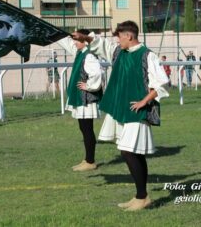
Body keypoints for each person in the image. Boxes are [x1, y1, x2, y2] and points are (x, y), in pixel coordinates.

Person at [72, 20, 169, 211]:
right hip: (122, 110)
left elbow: (162, 83)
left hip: (136, 112)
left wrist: (143, 101)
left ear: (129, 36)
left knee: (128, 151)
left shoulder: (147, 55)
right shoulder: (118, 52)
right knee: (132, 152)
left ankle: (142, 197)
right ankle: (141, 196)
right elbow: (101, 44)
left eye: (119, 36)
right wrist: (85, 37)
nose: (117, 40)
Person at [58, 29, 103, 172]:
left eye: (77, 40)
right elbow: (67, 43)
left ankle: (90, 161)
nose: (74, 42)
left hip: (86, 99)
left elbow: (97, 73)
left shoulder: (89, 55)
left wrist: (88, 86)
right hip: (81, 98)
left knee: (87, 129)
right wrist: (55, 34)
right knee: (84, 128)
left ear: (84, 41)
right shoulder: (80, 52)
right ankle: (88, 159)